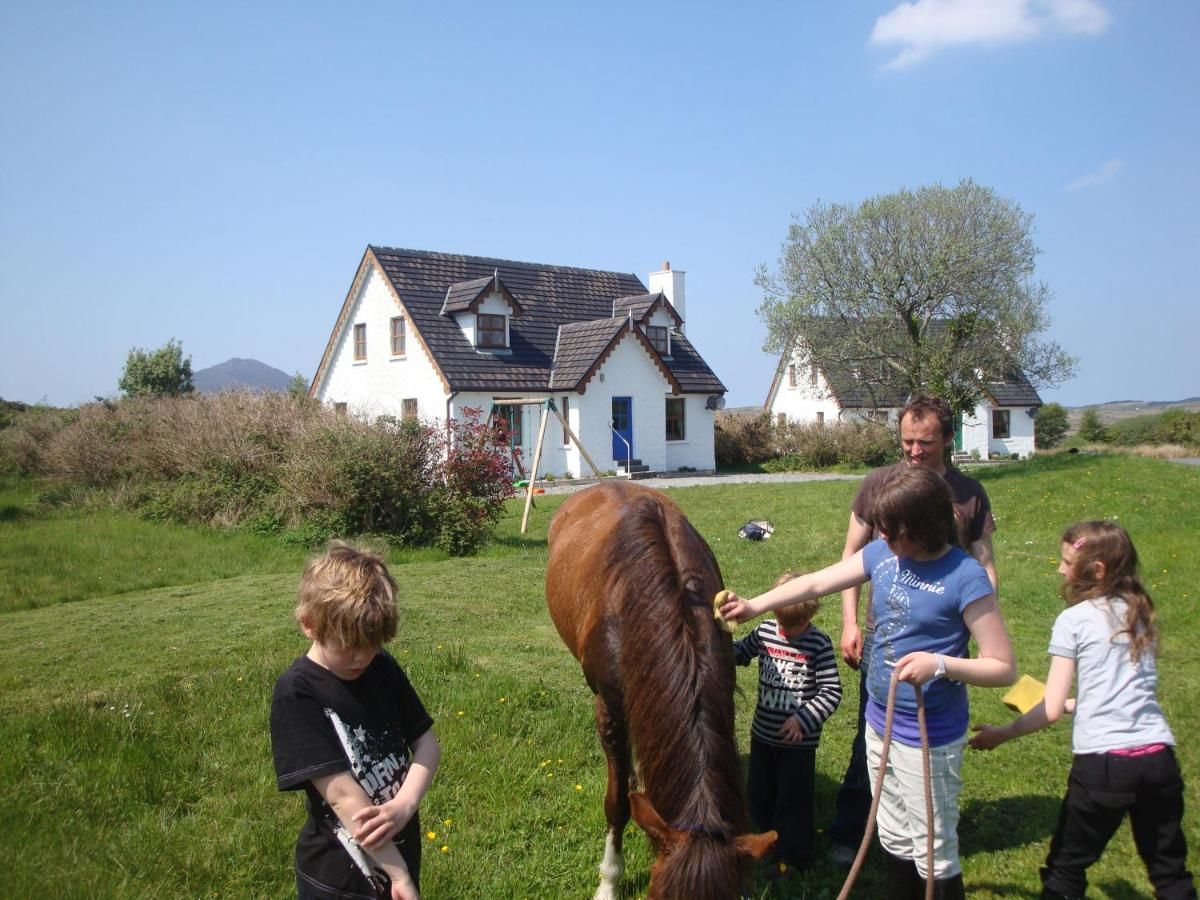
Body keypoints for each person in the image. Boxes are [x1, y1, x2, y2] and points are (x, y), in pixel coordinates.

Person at [720, 466, 1015, 899]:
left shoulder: (965, 576)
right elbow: (818, 581)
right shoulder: (884, 555)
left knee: (932, 847)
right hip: (880, 724)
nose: (882, 538)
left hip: (929, 736)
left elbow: (1003, 665)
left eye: (891, 530)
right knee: (893, 834)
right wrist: (755, 606)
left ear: (922, 527)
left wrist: (941, 665)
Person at [971, 521, 1196, 900]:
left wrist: (1002, 734)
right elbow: (1120, 693)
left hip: (1104, 766)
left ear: (1097, 571)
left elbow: (1052, 710)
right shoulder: (1140, 613)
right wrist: (1075, 702)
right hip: (1159, 759)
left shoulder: (1073, 621)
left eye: (1066, 561)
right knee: (1170, 873)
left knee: (1066, 869)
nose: (1060, 569)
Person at [831, 395, 998, 866]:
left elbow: (985, 566)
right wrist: (849, 621)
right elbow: (852, 556)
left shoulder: (969, 494)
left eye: (925, 442)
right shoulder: (880, 485)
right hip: (885, 640)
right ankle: (858, 831)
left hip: (942, 640)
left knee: (925, 745)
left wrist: (984, 627)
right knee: (872, 736)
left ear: (948, 437)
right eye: (907, 441)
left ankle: (927, 842)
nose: (915, 451)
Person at [270, 542, 442, 900]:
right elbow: (344, 800)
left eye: (373, 643)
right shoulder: (297, 693)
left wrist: (404, 805)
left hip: (399, 858)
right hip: (339, 880)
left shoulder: (382, 667)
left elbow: (427, 744)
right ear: (309, 625)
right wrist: (399, 876)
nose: (362, 656)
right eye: (349, 644)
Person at [733, 572, 842, 874]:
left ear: (810, 616)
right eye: (783, 624)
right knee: (759, 792)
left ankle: (795, 856)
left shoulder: (818, 643)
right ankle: (766, 840)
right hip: (762, 736)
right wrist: (716, 645)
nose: (788, 632)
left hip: (798, 745)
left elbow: (832, 691)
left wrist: (803, 720)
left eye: (794, 627)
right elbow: (740, 652)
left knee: (794, 801)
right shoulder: (767, 631)